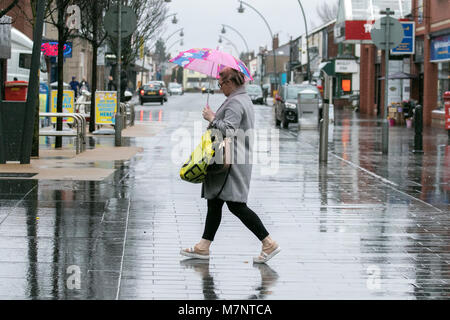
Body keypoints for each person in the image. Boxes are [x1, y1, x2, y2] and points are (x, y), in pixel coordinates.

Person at [180, 67, 281, 264]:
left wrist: (212, 118)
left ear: (230, 82)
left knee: (236, 205)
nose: (220, 88)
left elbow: (230, 129)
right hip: (233, 158)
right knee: (215, 202)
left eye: (221, 84)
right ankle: (203, 247)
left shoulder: (235, 102)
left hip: (230, 161)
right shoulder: (242, 98)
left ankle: (268, 242)